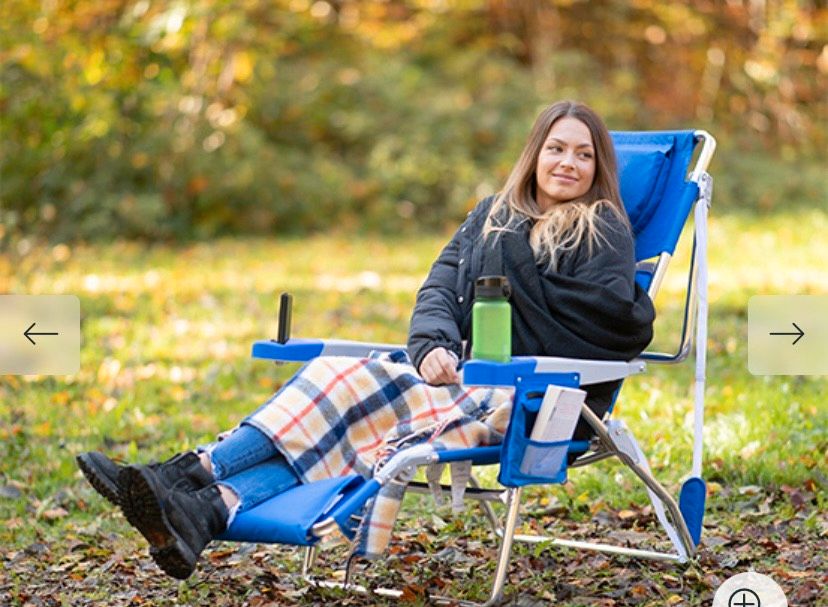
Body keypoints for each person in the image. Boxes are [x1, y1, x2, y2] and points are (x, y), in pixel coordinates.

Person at [76, 100, 655, 580]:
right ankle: (203, 508)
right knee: (337, 383)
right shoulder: (490, 215)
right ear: (534, 154)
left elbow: (606, 323)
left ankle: (184, 473)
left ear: (598, 167)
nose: (568, 163)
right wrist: (431, 344)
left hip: (526, 400)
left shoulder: (600, 224)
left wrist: (507, 305)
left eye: (584, 154)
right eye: (556, 148)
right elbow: (439, 288)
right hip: (458, 380)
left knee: (346, 393)